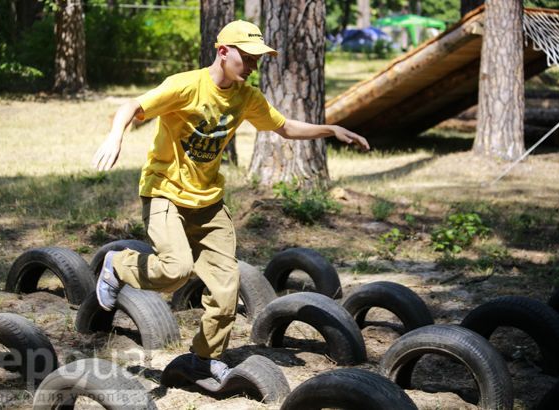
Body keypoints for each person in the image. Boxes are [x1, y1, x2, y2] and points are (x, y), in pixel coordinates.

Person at [92, 20, 370, 383]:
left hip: (208, 202)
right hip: (165, 191)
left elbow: (284, 127)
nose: (254, 66)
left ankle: (202, 359)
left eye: (259, 59)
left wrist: (330, 129)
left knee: (226, 289)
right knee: (175, 270)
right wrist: (116, 136)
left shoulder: (246, 97)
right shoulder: (187, 86)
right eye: (248, 57)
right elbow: (133, 106)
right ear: (223, 51)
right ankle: (118, 265)